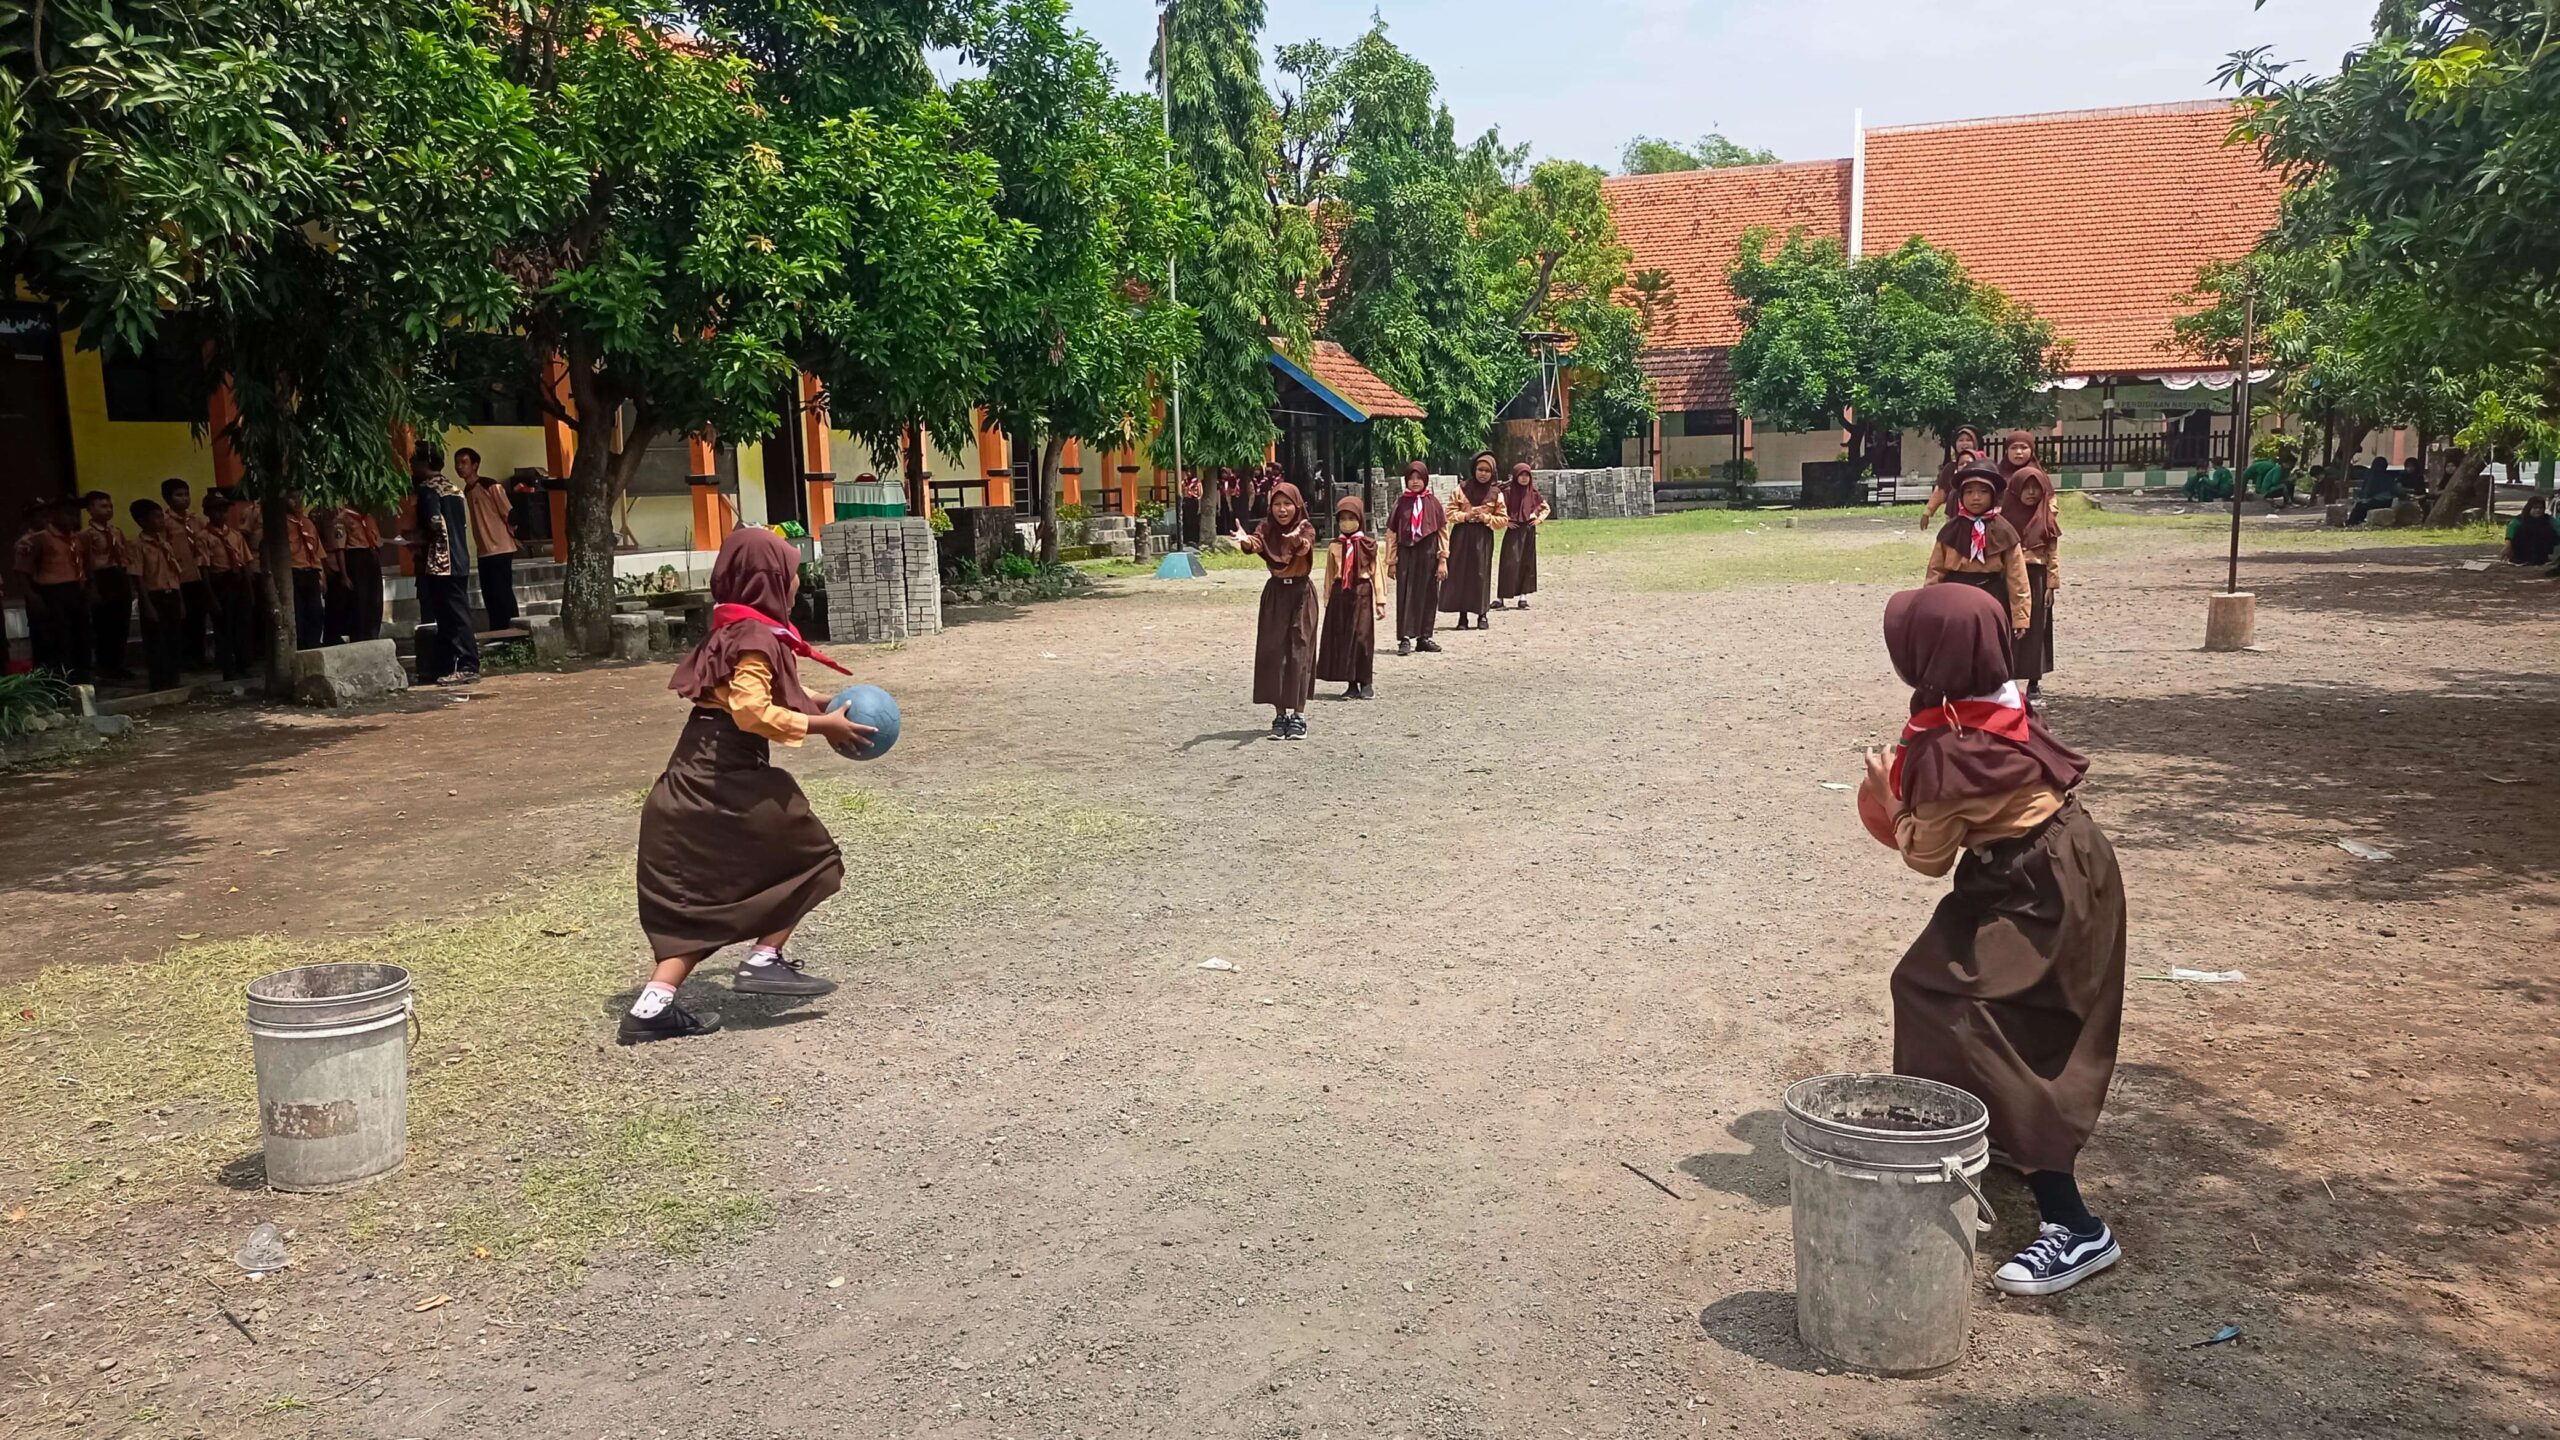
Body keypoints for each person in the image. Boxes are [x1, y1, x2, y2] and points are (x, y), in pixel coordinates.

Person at [1857, 584, 2127, 1297]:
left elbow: (1925, 856)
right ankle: (1983, 1130)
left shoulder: (1956, 751)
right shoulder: (1991, 700)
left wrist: (1889, 795)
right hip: (2052, 864)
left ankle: (2074, 1224)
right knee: (1939, 986)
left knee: (1963, 1007)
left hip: (2041, 887)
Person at [627, 526, 873, 1045]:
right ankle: (764, 958)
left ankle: (652, 1007)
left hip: (692, 781)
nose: (796, 586)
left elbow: (765, 687)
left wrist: (821, 701)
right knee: (814, 858)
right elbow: (750, 708)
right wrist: (821, 725)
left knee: (702, 900)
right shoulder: (757, 636)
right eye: (790, 577)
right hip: (722, 778)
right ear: (769, 581)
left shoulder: (735, 628)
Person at [1232, 480, 1319, 740]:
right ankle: (1280, 714)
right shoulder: (1266, 528)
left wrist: (1297, 542)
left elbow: (1306, 544)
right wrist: (1245, 541)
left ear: (1297, 505)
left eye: (1287, 504)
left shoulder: (1306, 527)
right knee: (1274, 651)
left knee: (1299, 651)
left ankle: (1299, 716)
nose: (1282, 510)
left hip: (1301, 594)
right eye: (1277, 504)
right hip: (1276, 595)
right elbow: (1256, 543)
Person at [1923, 463, 2032, 640]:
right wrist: (1929, 606)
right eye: (1969, 492)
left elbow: (2017, 577)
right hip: (1954, 597)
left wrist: (2020, 617)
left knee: (1988, 646)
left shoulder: (2005, 531)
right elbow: (1935, 572)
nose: (1976, 497)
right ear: (1960, 496)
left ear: (1993, 495)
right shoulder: (1950, 531)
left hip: (1992, 596)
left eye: (1983, 492)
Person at [409, 443, 479, 684]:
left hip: (440, 561)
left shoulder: (428, 491)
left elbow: (435, 522)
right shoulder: (454, 489)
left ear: (422, 464)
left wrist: (417, 540)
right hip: (460, 558)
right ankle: (452, 664)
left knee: (451, 616)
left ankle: (467, 664)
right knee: (457, 613)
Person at [1998, 431, 2062, 694]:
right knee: (2006, 621)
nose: (2019, 452)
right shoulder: (2000, 486)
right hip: (2007, 570)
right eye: (2014, 448)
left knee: (2036, 625)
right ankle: (2005, 675)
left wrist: (2052, 583)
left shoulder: (2044, 513)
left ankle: (2034, 680)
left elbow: (2052, 547)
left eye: (2024, 447)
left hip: (2035, 571)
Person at [1315, 494, 1383, 700]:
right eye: (1342, 519)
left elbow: (1377, 573)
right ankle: (1351, 682)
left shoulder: (1369, 545)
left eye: (1351, 518)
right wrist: (1327, 597)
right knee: (1344, 637)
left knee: (1362, 638)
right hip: (1340, 594)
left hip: (1362, 592)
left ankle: (1366, 682)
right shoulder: (1334, 546)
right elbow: (1329, 574)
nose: (1347, 523)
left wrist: (1381, 601)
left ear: (1360, 519)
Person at [13, 499, 88, 679]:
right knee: (55, 641)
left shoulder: (76, 538)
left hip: (75, 589)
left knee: (80, 638)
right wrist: (32, 596)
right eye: (67, 514)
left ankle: (81, 679)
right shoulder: (37, 540)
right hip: (53, 592)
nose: (72, 519)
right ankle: (56, 682)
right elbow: (22, 570)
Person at [1439, 450, 1507, 631]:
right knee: (1461, 573)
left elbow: (1503, 520)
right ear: (1474, 469)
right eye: (1480, 469)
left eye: (1487, 471)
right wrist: (1467, 515)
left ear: (1492, 473)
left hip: (1483, 537)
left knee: (1480, 574)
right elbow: (1449, 513)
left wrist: (1486, 519)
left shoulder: (1496, 494)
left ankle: (1482, 614)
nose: (1483, 474)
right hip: (1461, 535)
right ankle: (1462, 616)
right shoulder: (1461, 489)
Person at [1385, 461, 1447, 657]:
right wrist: (1392, 561)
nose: (1414, 482)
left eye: (1418, 478)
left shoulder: (1434, 503)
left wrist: (1443, 559)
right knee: (1406, 593)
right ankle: (1404, 637)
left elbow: (1443, 532)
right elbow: (1392, 534)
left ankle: (1424, 636)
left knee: (1429, 594)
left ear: (1425, 479)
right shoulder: (1400, 503)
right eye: (1411, 479)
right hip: (1406, 553)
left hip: (1428, 554)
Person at [457, 448, 520, 632]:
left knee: (503, 593)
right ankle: (497, 631)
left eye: (464, 462)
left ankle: (512, 631)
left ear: (475, 465)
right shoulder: (467, 491)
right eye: (458, 463)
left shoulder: (490, 486)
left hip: (500, 548)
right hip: (484, 551)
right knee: (490, 595)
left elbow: (509, 513)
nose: (460, 467)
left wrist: (512, 533)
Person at [129, 500, 188, 692]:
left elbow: (173, 574)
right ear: (142, 521)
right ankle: (158, 681)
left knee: (174, 638)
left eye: (161, 516)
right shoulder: (137, 545)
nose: (160, 520)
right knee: (156, 641)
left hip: (171, 594)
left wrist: (180, 600)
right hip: (154, 596)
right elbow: (138, 577)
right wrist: (147, 605)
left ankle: (173, 677)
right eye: (155, 517)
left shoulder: (164, 543)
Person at [78, 490, 134, 681]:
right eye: (102, 506)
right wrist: (91, 588)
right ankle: (105, 666)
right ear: (90, 509)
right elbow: (86, 561)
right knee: (104, 625)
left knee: (122, 623)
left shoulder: (115, 531)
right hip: (101, 578)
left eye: (110, 506)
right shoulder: (86, 534)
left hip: (118, 575)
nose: (108, 510)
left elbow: (124, 554)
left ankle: (119, 665)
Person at [159, 478, 215, 670]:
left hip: (199, 575)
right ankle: (186, 658)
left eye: (186, 494)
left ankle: (200, 655)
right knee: (183, 620)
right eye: (178, 495)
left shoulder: (197, 521)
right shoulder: (165, 523)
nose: (184, 499)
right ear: (167, 498)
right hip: (180, 576)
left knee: (199, 618)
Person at [202, 494, 258, 680]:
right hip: (220, 581)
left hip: (238, 580)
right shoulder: (203, 537)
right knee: (223, 627)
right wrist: (210, 596)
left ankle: (245, 664)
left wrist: (249, 589)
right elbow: (204, 569)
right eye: (215, 510)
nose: (220, 514)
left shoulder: (235, 535)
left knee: (242, 625)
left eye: (223, 510)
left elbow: (246, 562)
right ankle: (228, 668)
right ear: (207, 513)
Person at [1495, 461, 1549, 610]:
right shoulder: (1507, 492)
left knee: (1526, 562)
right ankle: (1500, 598)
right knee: (1509, 563)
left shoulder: (1533, 492)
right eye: (1521, 475)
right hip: (1513, 529)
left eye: (1527, 475)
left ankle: (1523, 597)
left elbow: (1545, 507)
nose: (1524, 478)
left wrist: (1538, 520)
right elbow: (1496, 508)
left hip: (1528, 530)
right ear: (1516, 476)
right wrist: (1505, 522)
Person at [332, 503, 386, 643]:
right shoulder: (342, 519)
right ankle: (360, 637)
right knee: (360, 601)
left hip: (371, 557)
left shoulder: (368, 517)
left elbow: (377, 541)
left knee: (375, 600)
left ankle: (373, 634)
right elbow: (340, 548)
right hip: (355, 558)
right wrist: (344, 575)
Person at [284, 495, 329, 649]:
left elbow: (318, 552)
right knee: (298, 613)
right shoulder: (282, 525)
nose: (297, 501)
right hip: (293, 573)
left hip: (311, 572)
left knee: (316, 612)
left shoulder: (308, 523)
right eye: (292, 497)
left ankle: (314, 645)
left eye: (299, 497)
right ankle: (301, 648)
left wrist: (322, 577)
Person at [1921, 426, 1984, 527]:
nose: (1964, 443)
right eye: (1960, 440)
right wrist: (1927, 513)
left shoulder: (1984, 465)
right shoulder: (1950, 468)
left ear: (1975, 443)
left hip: (1980, 517)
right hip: (1953, 515)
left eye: (1968, 440)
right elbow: (1941, 492)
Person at [2503, 495, 2557, 566]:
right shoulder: (2519, 520)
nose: (2538, 510)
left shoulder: (2548, 520)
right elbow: (2510, 530)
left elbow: (2558, 528)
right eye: (2535, 508)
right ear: (2529, 508)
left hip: (2542, 556)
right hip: (2521, 555)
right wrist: (2508, 545)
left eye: (2541, 508)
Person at [2347, 455, 2398, 526]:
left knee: (2360, 506)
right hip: (2383, 501)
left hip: (2380, 501)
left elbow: (2369, 492)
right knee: (2360, 505)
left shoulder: (2373, 475)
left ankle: (2352, 523)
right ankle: (2354, 522)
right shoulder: (2386, 476)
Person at [1178, 468, 1203, 548]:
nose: (1187, 473)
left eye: (1189, 471)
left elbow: (1200, 494)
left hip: (1193, 501)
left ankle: (1194, 539)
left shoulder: (1196, 482)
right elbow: (1181, 492)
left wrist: (1199, 504)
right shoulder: (1183, 482)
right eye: (1186, 472)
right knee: (1185, 521)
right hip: (1185, 501)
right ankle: (1186, 539)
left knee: (1193, 521)